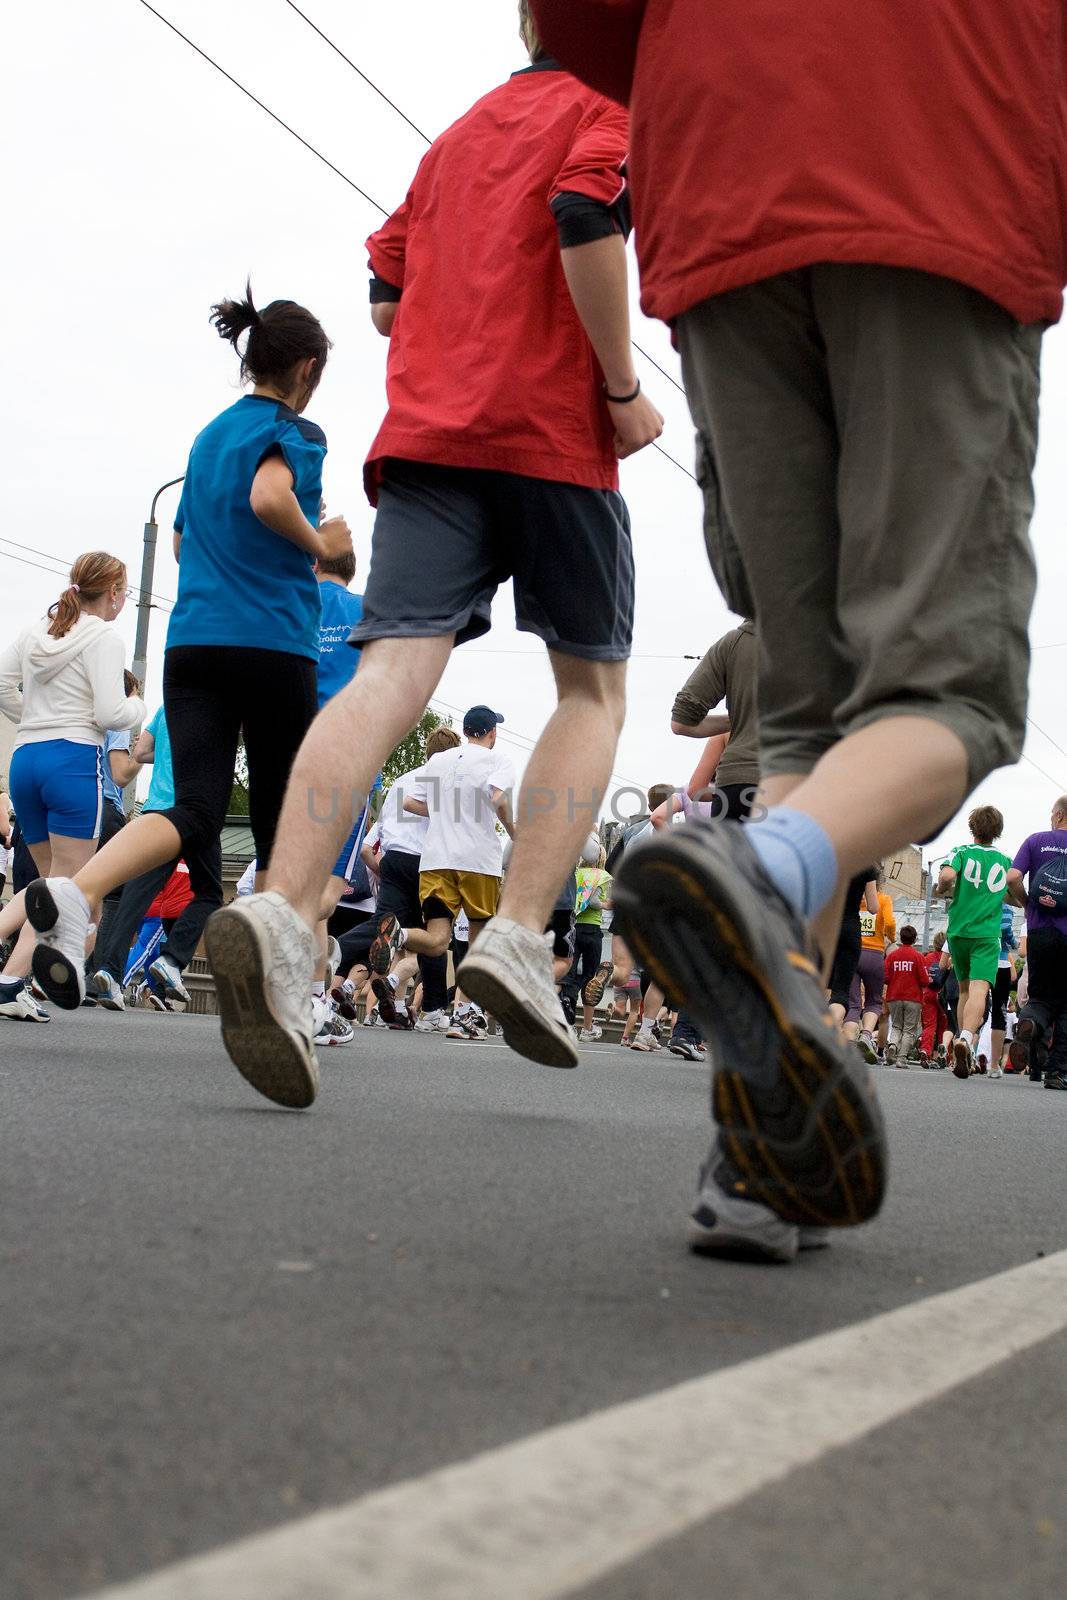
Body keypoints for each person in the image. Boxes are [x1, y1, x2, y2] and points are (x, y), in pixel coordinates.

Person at [536, 0, 1059, 1242]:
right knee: (950, 691)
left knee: (811, 719)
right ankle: (750, 871)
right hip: (939, 162)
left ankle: (760, 1148)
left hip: (722, 188)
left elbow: (573, 16)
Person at [199, 9, 663, 1107]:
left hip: (429, 440)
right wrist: (618, 387)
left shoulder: (455, 136)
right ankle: (515, 937)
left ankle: (278, 910)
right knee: (590, 688)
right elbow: (584, 209)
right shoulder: (612, 108)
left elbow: (383, 298)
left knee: (388, 675)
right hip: (554, 436)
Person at [22, 288, 354, 1047]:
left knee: (194, 810)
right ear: (306, 367)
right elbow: (272, 496)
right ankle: (280, 1000)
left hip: (194, 641)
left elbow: (179, 547)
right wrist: (320, 546)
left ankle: (76, 897)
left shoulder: (208, 438)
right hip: (271, 643)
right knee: (281, 828)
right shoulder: (294, 430)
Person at [0, 551, 144, 1022]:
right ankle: (8, 982)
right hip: (73, 762)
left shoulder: (35, 630)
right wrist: (137, 709)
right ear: (116, 593)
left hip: (26, 759)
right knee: (70, 886)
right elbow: (108, 714)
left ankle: (13, 981)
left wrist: (35, 720)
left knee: (48, 887)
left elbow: (2, 685)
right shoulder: (103, 636)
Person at [371, 707, 516, 1043]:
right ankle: (464, 1014)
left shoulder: (439, 761)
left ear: (465, 730)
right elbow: (498, 798)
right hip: (478, 861)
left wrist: (444, 812)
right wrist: (513, 829)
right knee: (478, 940)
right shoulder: (498, 761)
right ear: (492, 732)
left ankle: (400, 936)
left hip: (436, 860)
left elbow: (410, 803)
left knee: (436, 940)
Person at [85, 706, 223, 1012]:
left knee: (135, 896)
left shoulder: (167, 708)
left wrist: (165, 760)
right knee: (209, 893)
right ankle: (171, 959)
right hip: (198, 810)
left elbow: (142, 751)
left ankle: (108, 971)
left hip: (157, 810)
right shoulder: (222, 706)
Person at [358, 723, 460, 1034]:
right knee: (433, 939)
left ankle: (356, 988)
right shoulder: (446, 782)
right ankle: (431, 1010)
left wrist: (384, 868)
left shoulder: (402, 781)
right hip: (427, 863)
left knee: (384, 929)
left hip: (392, 860)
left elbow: (377, 835)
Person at [937, 806, 1012, 1078]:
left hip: (958, 932)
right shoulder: (1005, 860)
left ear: (972, 828)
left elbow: (945, 876)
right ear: (998, 832)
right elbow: (1014, 894)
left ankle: (960, 1036)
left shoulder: (960, 852)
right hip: (987, 935)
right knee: (980, 989)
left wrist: (940, 887)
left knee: (965, 990)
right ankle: (966, 1039)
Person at [670, 622, 760, 822]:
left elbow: (681, 723)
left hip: (737, 789)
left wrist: (740, 718)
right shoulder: (822, 640)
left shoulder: (734, 642)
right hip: (803, 782)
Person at [1007, 796, 1067, 1091]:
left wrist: (1026, 902)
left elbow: (1013, 876)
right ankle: (1057, 1073)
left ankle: (1028, 1023)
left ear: (1057, 815)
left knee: (1041, 996)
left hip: (1040, 933)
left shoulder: (1036, 840)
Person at [843, 871, 897, 1061]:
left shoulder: (854, 898)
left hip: (853, 950)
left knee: (852, 1002)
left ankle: (848, 1043)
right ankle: (866, 1035)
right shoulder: (883, 900)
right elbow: (890, 923)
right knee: (874, 1001)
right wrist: (891, 936)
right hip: (874, 953)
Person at [883, 926, 928, 1066]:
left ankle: (892, 1045)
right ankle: (901, 1059)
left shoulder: (892, 956)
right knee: (909, 1029)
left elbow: (885, 977)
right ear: (915, 939)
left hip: (894, 996)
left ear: (901, 938)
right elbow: (924, 980)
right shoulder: (918, 957)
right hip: (913, 998)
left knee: (896, 1026)